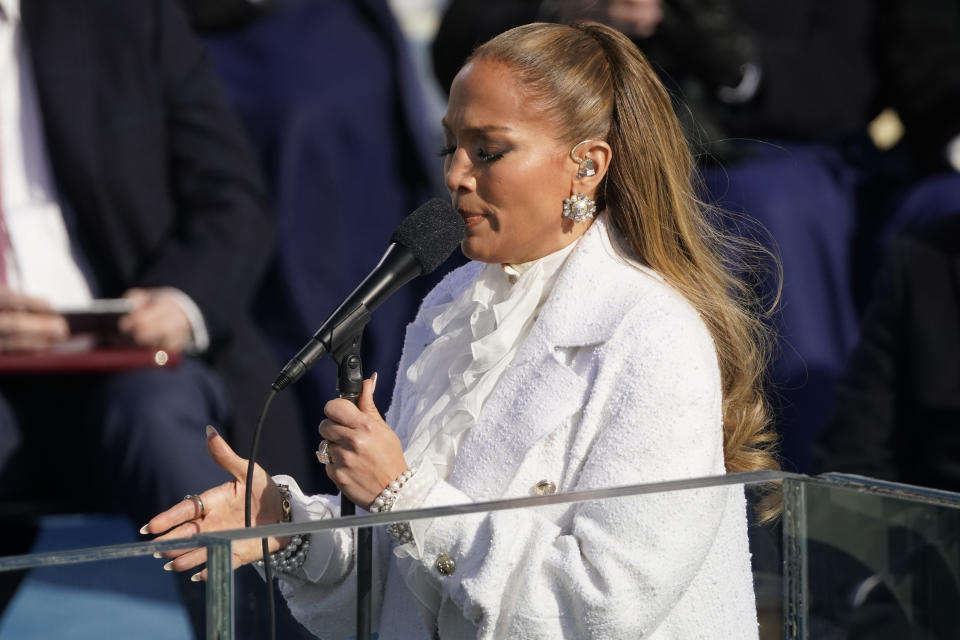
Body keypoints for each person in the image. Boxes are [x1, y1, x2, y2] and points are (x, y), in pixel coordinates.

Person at [143, 21, 779, 638]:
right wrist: (289, 526)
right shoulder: (453, 304)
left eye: (489, 150)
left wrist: (402, 494)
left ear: (586, 166)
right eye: (451, 146)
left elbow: (602, 610)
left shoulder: (653, 334)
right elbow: (409, 590)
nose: (455, 175)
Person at [0, 0, 309, 630]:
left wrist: (180, 301)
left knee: (162, 424)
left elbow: (233, 202)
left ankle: (254, 627)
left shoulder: (124, 17)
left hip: (146, 358)